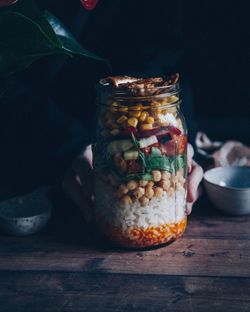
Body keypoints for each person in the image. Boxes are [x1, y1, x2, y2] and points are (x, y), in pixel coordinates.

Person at [0, 0, 203, 222]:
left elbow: (163, 52)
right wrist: (68, 144)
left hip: (110, 129)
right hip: (25, 157)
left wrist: (170, 137)